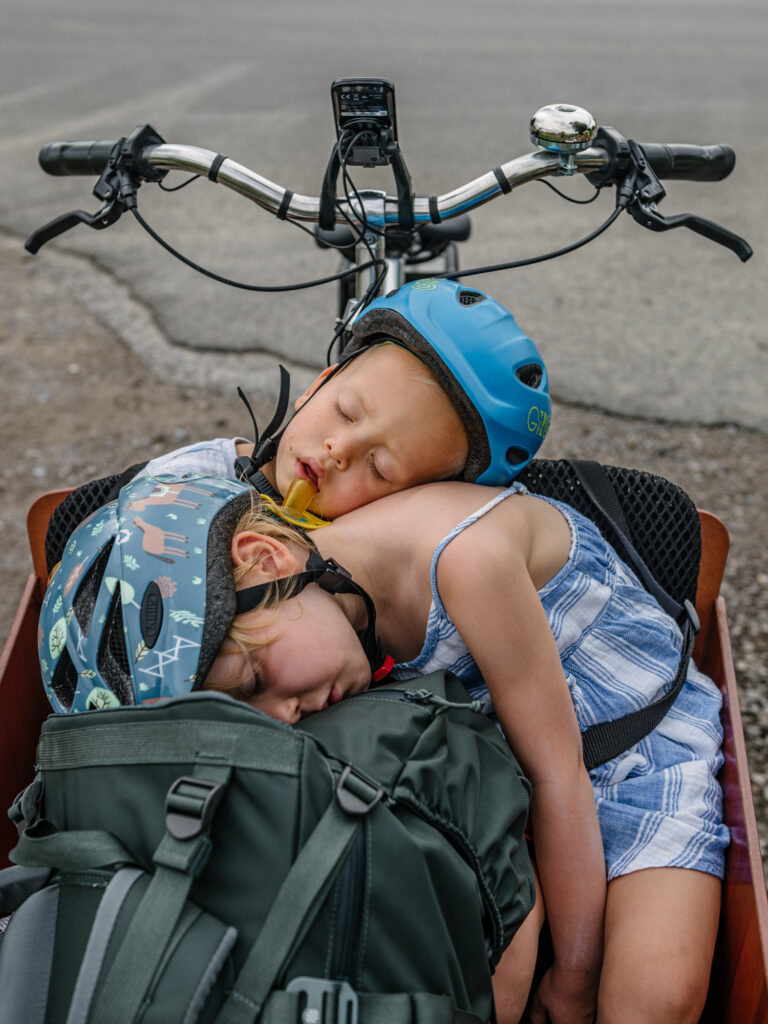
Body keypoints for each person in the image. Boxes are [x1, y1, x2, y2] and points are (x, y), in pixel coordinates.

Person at [39, 468, 728, 1024]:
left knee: (650, 1002)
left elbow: (561, 777)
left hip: (630, 757)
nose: (279, 718)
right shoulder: (323, 627)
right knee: (493, 964)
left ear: (266, 557)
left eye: (253, 680)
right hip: (500, 774)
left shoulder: (463, 560)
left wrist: (573, 981)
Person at [142, 277, 551, 519]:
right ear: (316, 385)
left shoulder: (384, 560)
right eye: (345, 412)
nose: (340, 449)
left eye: (380, 468)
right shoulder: (190, 480)